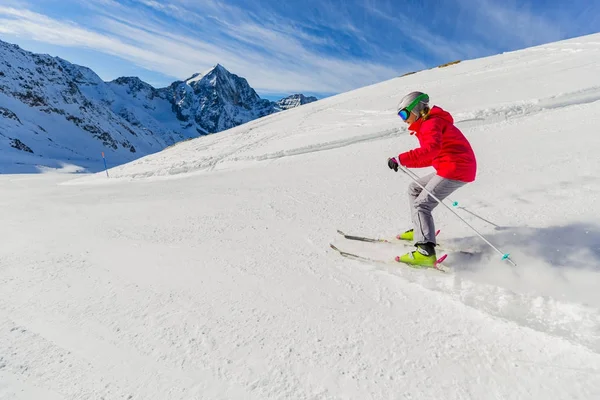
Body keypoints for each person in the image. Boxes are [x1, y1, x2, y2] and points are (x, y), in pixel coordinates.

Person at [387, 91, 477, 267]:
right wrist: (403, 161)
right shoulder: (429, 124)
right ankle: (420, 231)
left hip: (456, 169)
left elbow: (430, 151)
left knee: (422, 204)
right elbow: (431, 157)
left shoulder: (430, 123)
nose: (403, 119)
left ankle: (425, 251)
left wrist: (401, 159)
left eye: (404, 113)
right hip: (451, 166)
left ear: (416, 110)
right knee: (415, 188)